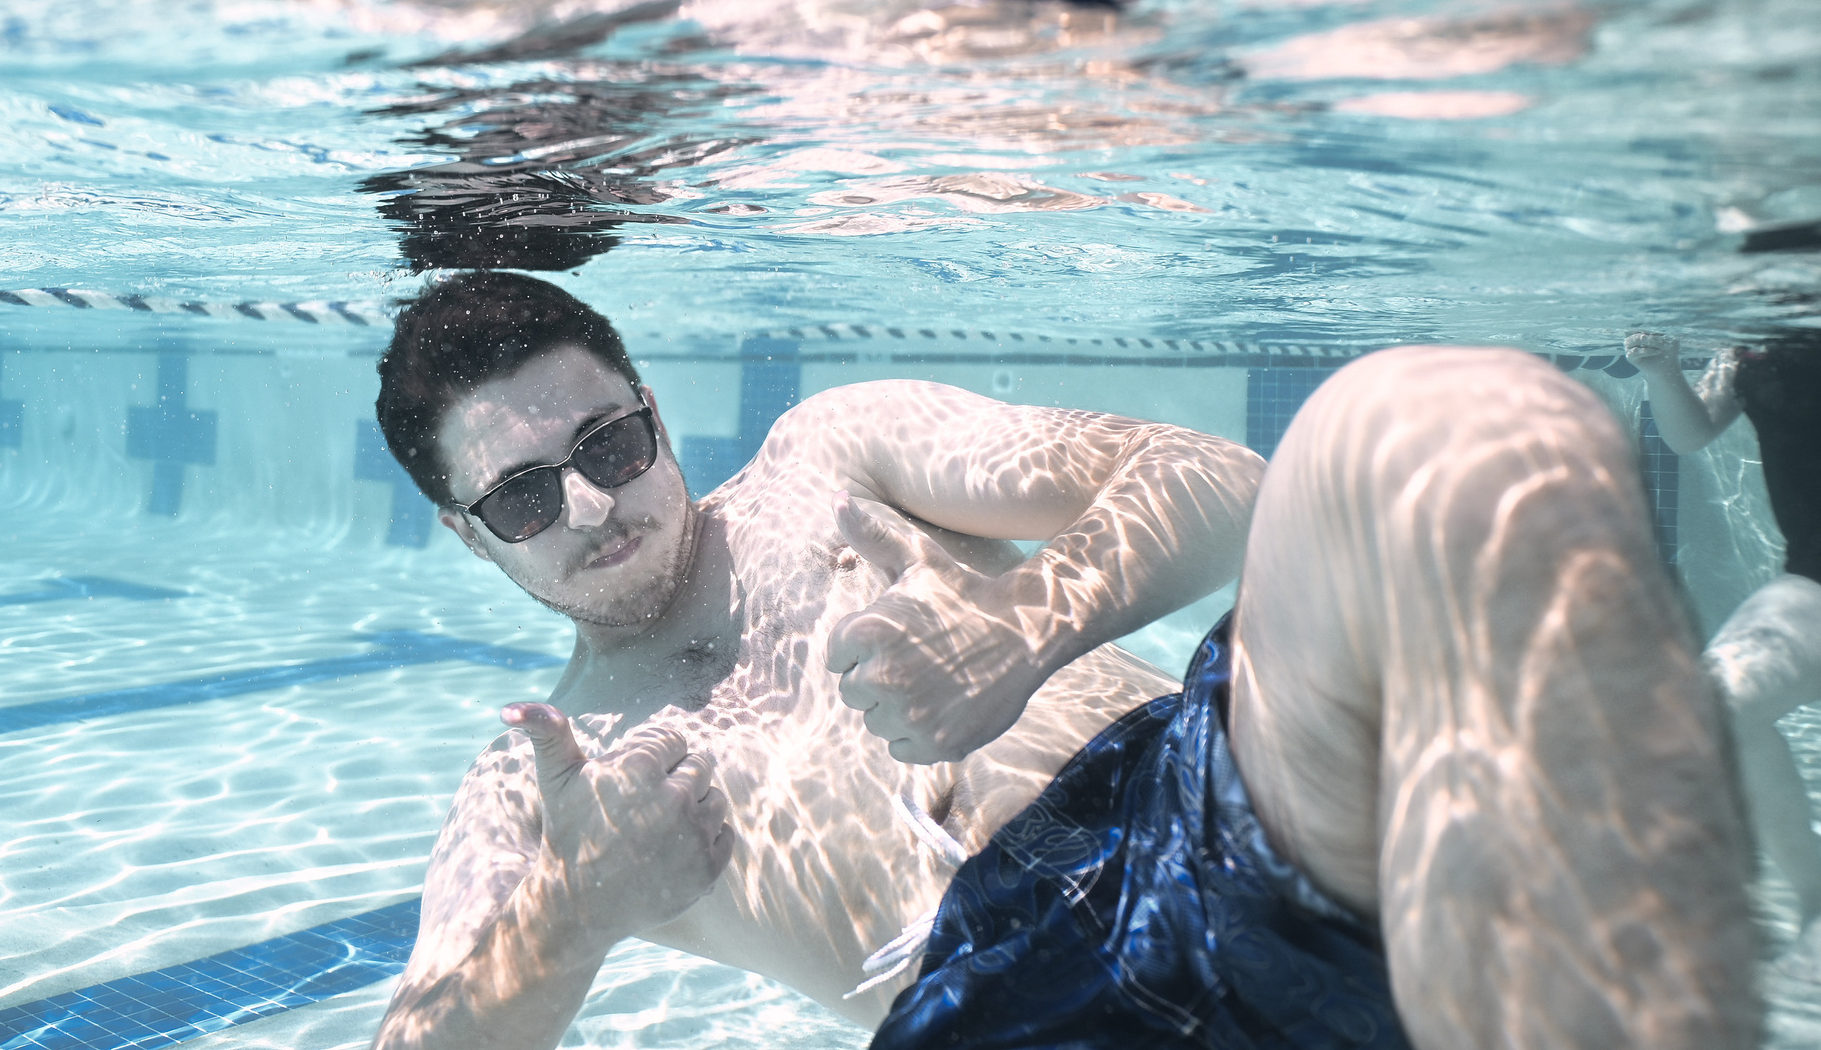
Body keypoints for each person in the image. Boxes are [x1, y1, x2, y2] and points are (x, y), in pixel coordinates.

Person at [369, 270, 1754, 1050]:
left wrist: (1029, 618)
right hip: (1013, 1014)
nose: (599, 504)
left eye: (612, 445)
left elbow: (1215, 476)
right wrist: (579, 902)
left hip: (1209, 811)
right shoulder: (539, 788)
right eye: (528, 495)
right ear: (464, 530)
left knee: (1457, 420)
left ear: (654, 413)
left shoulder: (832, 453)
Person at [1629, 328, 1821, 923]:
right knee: (1717, 708)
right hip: (1815, 583)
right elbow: (1689, 434)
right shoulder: (1753, 348)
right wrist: (1662, 371)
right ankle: (1817, 898)